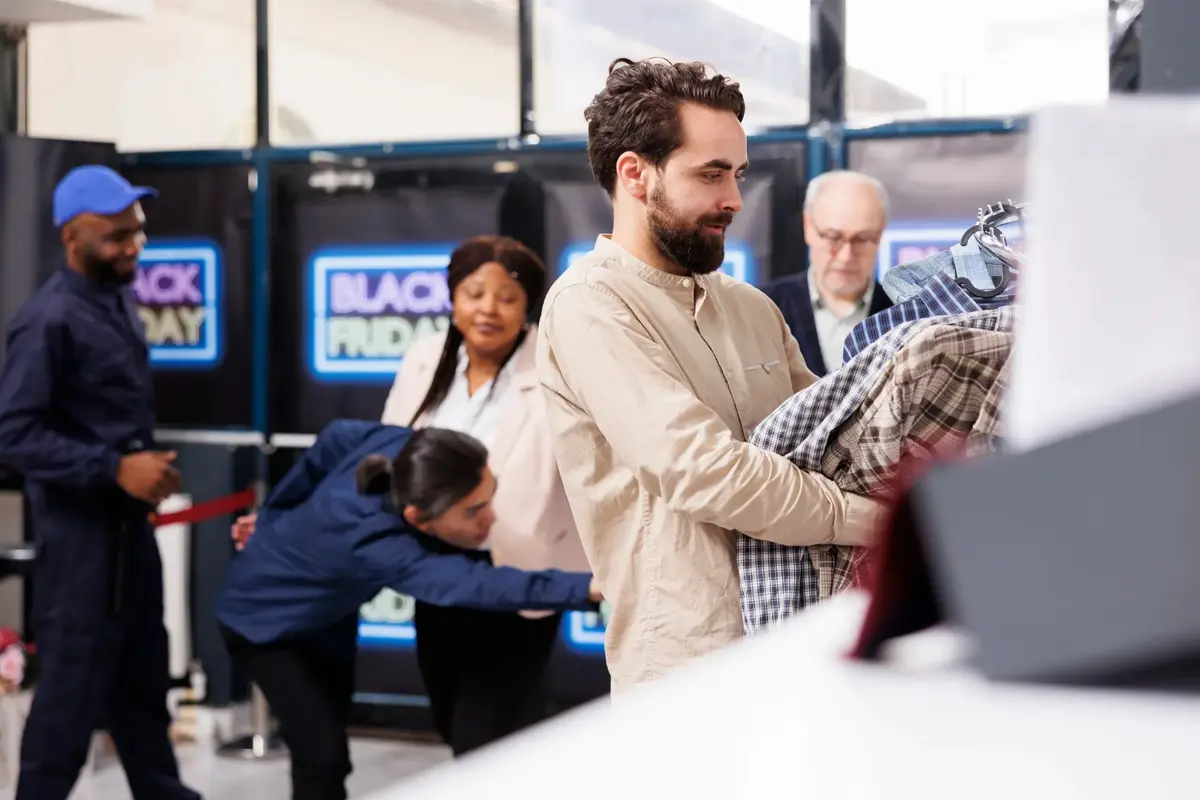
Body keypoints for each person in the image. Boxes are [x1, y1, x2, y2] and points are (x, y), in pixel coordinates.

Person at [535, 58, 881, 693]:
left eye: (738, 174)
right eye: (712, 174)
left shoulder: (751, 308)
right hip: (686, 675)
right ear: (635, 173)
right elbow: (704, 471)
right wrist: (873, 522)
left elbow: (838, 443)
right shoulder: (589, 305)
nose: (734, 200)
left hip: (803, 647)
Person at [216, 420, 600, 800]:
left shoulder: (399, 446)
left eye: (490, 494)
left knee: (325, 744)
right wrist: (586, 586)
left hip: (327, 616)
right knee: (322, 758)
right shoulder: (376, 545)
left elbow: (335, 436)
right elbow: (481, 584)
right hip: (261, 626)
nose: (491, 517)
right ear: (418, 518)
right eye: (473, 511)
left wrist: (274, 511)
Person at [0, 165, 200, 799]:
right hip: (79, 546)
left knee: (144, 695)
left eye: (138, 232)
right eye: (116, 236)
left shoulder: (116, 299)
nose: (132, 246)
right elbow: (13, 433)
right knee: (66, 708)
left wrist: (140, 466)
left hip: (128, 537)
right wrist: (114, 467)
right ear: (72, 235)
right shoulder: (48, 320)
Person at [380, 235, 591, 754]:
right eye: (474, 294)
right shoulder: (425, 359)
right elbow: (390, 447)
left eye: (507, 297)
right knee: (451, 719)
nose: (488, 310)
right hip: (435, 572)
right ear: (453, 298)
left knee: (491, 732)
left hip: (517, 573)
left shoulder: (557, 365)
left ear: (527, 307)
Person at [761, 170, 894, 375]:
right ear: (808, 227)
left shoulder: (906, 315)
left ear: (881, 233)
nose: (846, 256)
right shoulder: (762, 309)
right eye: (833, 237)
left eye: (862, 239)